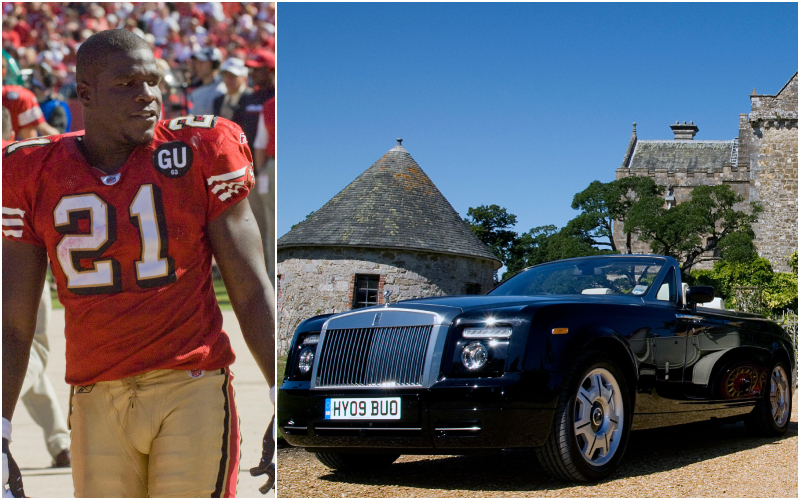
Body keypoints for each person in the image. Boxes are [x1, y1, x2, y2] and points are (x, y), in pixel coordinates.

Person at [2, 29, 275, 497]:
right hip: (94, 392)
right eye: (127, 83)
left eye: (153, 81)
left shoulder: (200, 149)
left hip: (191, 382)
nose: (148, 95)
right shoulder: (30, 170)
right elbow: (12, 322)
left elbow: (250, 288)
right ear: (84, 93)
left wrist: (278, 392)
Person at [2, 57, 59, 139]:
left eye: (34, 77)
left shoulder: (56, 107)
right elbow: (29, 142)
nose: (30, 80)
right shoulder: (21, 97)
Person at [31, 62, 72, 133]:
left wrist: (38, 122)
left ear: (47, 80)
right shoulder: (31, 103)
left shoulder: (57, 106)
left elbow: (58, 135)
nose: (32, 80)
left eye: (36, 76)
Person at [212, 57, 252, 126]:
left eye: (233, 76)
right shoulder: (218, 101)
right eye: (225, 75)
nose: (228, 79)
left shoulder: (251, 98)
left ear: (243, 77)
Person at [187, 46, 225, 116]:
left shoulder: (221, 90)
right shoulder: (195, 87)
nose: (198, 66)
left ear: (214, 64)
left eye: (202, 62)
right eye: (197, 62)